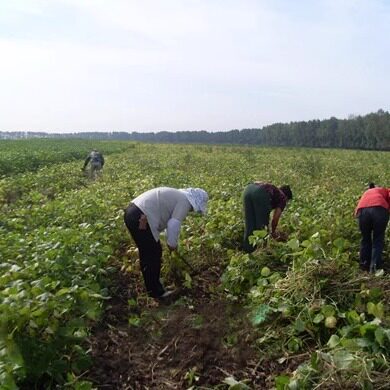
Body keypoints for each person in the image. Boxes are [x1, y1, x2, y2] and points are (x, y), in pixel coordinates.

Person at [124, 187, 208, 299]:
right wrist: (172, 244)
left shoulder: (178, 196)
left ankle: (154, 289)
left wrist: (170, 241)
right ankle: (156, 293)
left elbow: (169, 222)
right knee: (152, 254)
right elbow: (173, 224)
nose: (192, 211)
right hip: (141, 216)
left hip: (133, 212)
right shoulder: (184, 202)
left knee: (150, 252)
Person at [243, 182, 293, 253]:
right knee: (262, 227)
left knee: (249, 224)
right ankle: (261, 251)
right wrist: (273, 232)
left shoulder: (274, 190)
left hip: (248, 189)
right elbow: (275, 218)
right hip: (260, 194)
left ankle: (247, 250)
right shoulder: (283, 197)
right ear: (287, 197)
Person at [355, 183, 390, 272]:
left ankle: (364, 265)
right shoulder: (385, 190)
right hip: (379, 208)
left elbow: (359, 203)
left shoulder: (366, 192)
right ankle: (375, 267)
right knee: (378, 238)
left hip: (362, 210)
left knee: (365, 239)